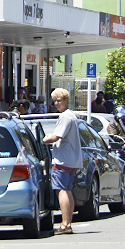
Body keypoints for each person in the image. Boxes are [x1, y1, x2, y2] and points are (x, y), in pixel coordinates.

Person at [42, 88, 82, 235]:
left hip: (63, 160)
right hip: (70, 160)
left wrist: (44, 139)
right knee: (67, 190)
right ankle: (68, 222)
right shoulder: (70, 115)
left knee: (62, 191)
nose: (57, 103)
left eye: (59, 100)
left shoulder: (65, 117)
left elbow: (56, 137)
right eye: (55, 101)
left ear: (66, 100)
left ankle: (65, 224)